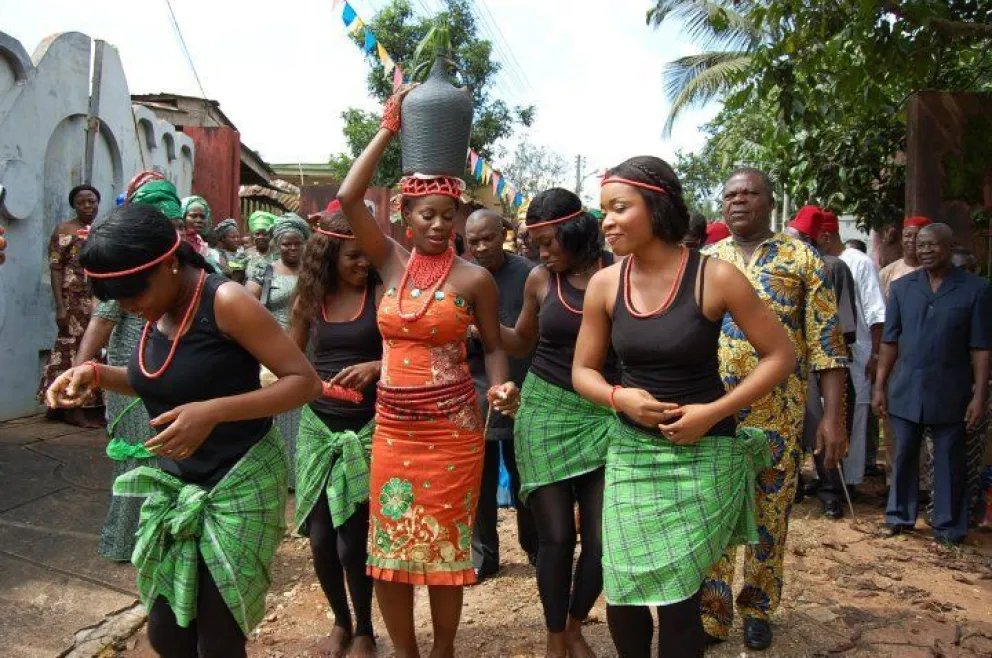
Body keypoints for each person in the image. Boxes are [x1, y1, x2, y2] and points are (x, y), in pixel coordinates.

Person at [45, 203, 321, 657]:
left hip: (240, 480)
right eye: (119, 298)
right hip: (176, 482)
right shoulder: (157, 307)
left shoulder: (226, 301)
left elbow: (304, 383)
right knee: (168, 632)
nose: (130, 306)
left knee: (218, 635)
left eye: (134, 293)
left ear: (170, 264)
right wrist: (94, 373)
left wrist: (210, 413)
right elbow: (159, 378)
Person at [572, 156, 795, 658]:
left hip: (704, 457)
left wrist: (712, 413)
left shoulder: (715, 278)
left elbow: (780, 354)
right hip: (632, 453)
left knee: (678, 596)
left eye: (619, 208)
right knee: (624, 588)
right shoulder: (606, 285)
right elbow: (582, 371)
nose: (606, 221)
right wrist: (618, 397)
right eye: (603, 210)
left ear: (656, 207)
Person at [336, 86, 519, 658]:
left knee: (445, 548)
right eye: (427, 214)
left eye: (449, 215)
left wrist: (502, 384)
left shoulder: (474, 280)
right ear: (406, 217)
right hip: (393, 429)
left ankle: (443, 649)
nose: (440, 225)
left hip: (455, 432)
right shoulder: (390, 261)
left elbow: (492, 348)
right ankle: (407, 653)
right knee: (389, 552)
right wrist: (389, 125)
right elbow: (347, 196)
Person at [700, 168, 848, 650]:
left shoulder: (803, 257)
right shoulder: (705, 260)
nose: (738, 201)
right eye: (730, 195)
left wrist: (831, 417)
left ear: (770, 201)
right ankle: (713, 613)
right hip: (715, 412)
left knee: (770, 513)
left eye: (749, 193)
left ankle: (758, 606)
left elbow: (827, 343)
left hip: (778, 413)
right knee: (716, 509)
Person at [499, 188, 616, 658]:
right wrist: (481, 325)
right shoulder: (540, 282)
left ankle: (572, 625)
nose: (541, 254)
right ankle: (554, 638)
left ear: (575, 231)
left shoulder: (619, 275)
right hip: (545, 414)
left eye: (549, 242)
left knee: (603, 541)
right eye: (536, 244)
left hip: (606, 414)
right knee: (557, 537)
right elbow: (522, 342)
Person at [73, 178, 187, 562]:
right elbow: (101, 321)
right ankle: (128, 542)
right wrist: (80, 370)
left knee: (168, 456)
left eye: (174, 223)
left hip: (171, 370)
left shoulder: (184, 262)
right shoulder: (128, 259)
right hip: (130, 370)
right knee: (140, 457)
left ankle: (163, 541)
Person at [288, 204, 381, 658]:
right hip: (318, 427)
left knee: (352, 539)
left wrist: (377, 365)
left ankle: (365, 628)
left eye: (368, 256)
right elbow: (288, 357)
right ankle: (340, 623)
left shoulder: (381, 294)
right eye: (353, 258)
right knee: (321, 538)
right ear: (329, 257)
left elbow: (409, 351)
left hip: (368, 429)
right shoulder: (311, 299)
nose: (364, 264)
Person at [873, 223, 991, 545]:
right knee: (903, 455)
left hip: (951, 389)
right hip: (907, 387)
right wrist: (880, 386)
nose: (924, 250)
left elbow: (981, 347)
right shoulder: (902, 288)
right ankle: (899, 517)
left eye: (932, 245)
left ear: (949, 247)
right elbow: (889, 341)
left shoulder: (976, 290)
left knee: (949, 459)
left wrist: (979, 395)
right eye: (921, 245)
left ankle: (948, 526)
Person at [463, 208, 539, 580]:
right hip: (474, 387)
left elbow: (534, 332)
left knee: (524, 470)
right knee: (480, 476)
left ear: (503, 234)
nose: (480, 247)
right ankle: (484, 555)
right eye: (473, 241)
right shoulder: (461, 277)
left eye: (487, 238)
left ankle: (535, 546)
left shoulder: (527, 274)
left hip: (521, 386)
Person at [787, 207, 859, 519]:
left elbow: (845, 325)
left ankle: (831, 493)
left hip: (820, 358)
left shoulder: (832, 266)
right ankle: (794, 487)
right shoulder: (781, 264)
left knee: (820, 423)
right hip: (784, 358)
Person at [822, 210, 887, 492]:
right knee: (831, 413)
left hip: (857, 353)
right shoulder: (819, 263)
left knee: (855, 416)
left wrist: (875, 355)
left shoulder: (859, 262)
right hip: (829, 355)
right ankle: (830, 478)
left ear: (825, 237)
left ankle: (850, 481)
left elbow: (876, 313)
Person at [247, 213, 310, 488]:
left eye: (297, 244)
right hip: (271, 352)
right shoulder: (265, 271)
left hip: (305, 348)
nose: (292, 249)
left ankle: (297, 477)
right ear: (278, 244)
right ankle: (272, 476)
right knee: (271, 410)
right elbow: (246, 302)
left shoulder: (312, 271)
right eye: (287, 244)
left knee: (298, 411)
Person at [37, 184, 104, 428]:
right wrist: (60, 307)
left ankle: (62, 407)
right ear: (74, 205)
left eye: (92, 202)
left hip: (95, 299)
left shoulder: (101, 230)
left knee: (92, 351)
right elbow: (56, 269)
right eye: (82, 202)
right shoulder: (64, 230)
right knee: (70, 352)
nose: (88, 206)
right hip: (72, 301)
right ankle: (71, 407)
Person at [879, 216, 931, 297]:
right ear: (901, 239)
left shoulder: (934, 272)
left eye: (918, 236)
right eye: (907, 236)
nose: (912, 240)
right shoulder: (887, 273)